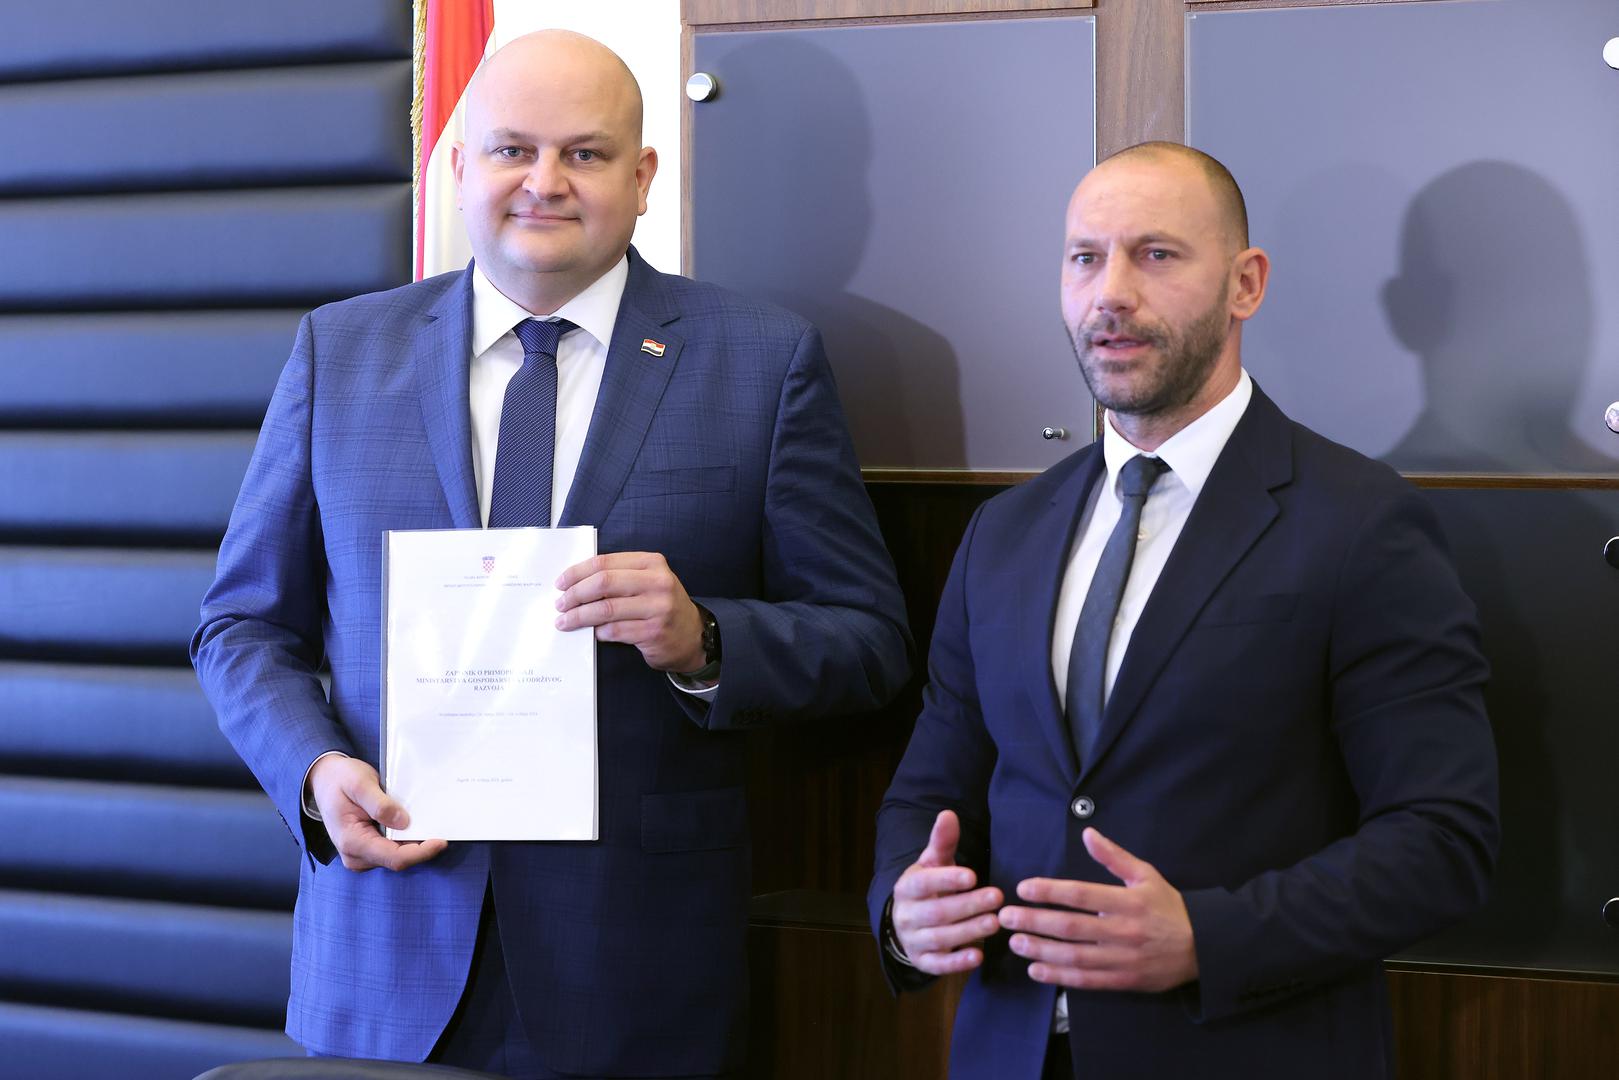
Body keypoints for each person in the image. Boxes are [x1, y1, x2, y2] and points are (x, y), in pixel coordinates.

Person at [193, 30, 909, 1080]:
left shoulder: (762, 361)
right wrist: (313, 771)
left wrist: (704, 639)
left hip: (634, 963)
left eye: (583, 153)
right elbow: (241, 626)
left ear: (641, 176)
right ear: (458, 167)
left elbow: (869, 642)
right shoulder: (338, 351)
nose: (544, 182)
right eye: (511, 150)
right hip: (384, 947)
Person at [868, 143, 1498, 1080]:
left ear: (1245, 284)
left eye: (1155, 255)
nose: (1110, 293)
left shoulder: (1362, 523)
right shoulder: (1003, 532)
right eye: (1085, 258)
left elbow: (1442, 840)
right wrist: (902, 910)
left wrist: (1210, 936)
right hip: (1008, 1053)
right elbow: (931, 786)